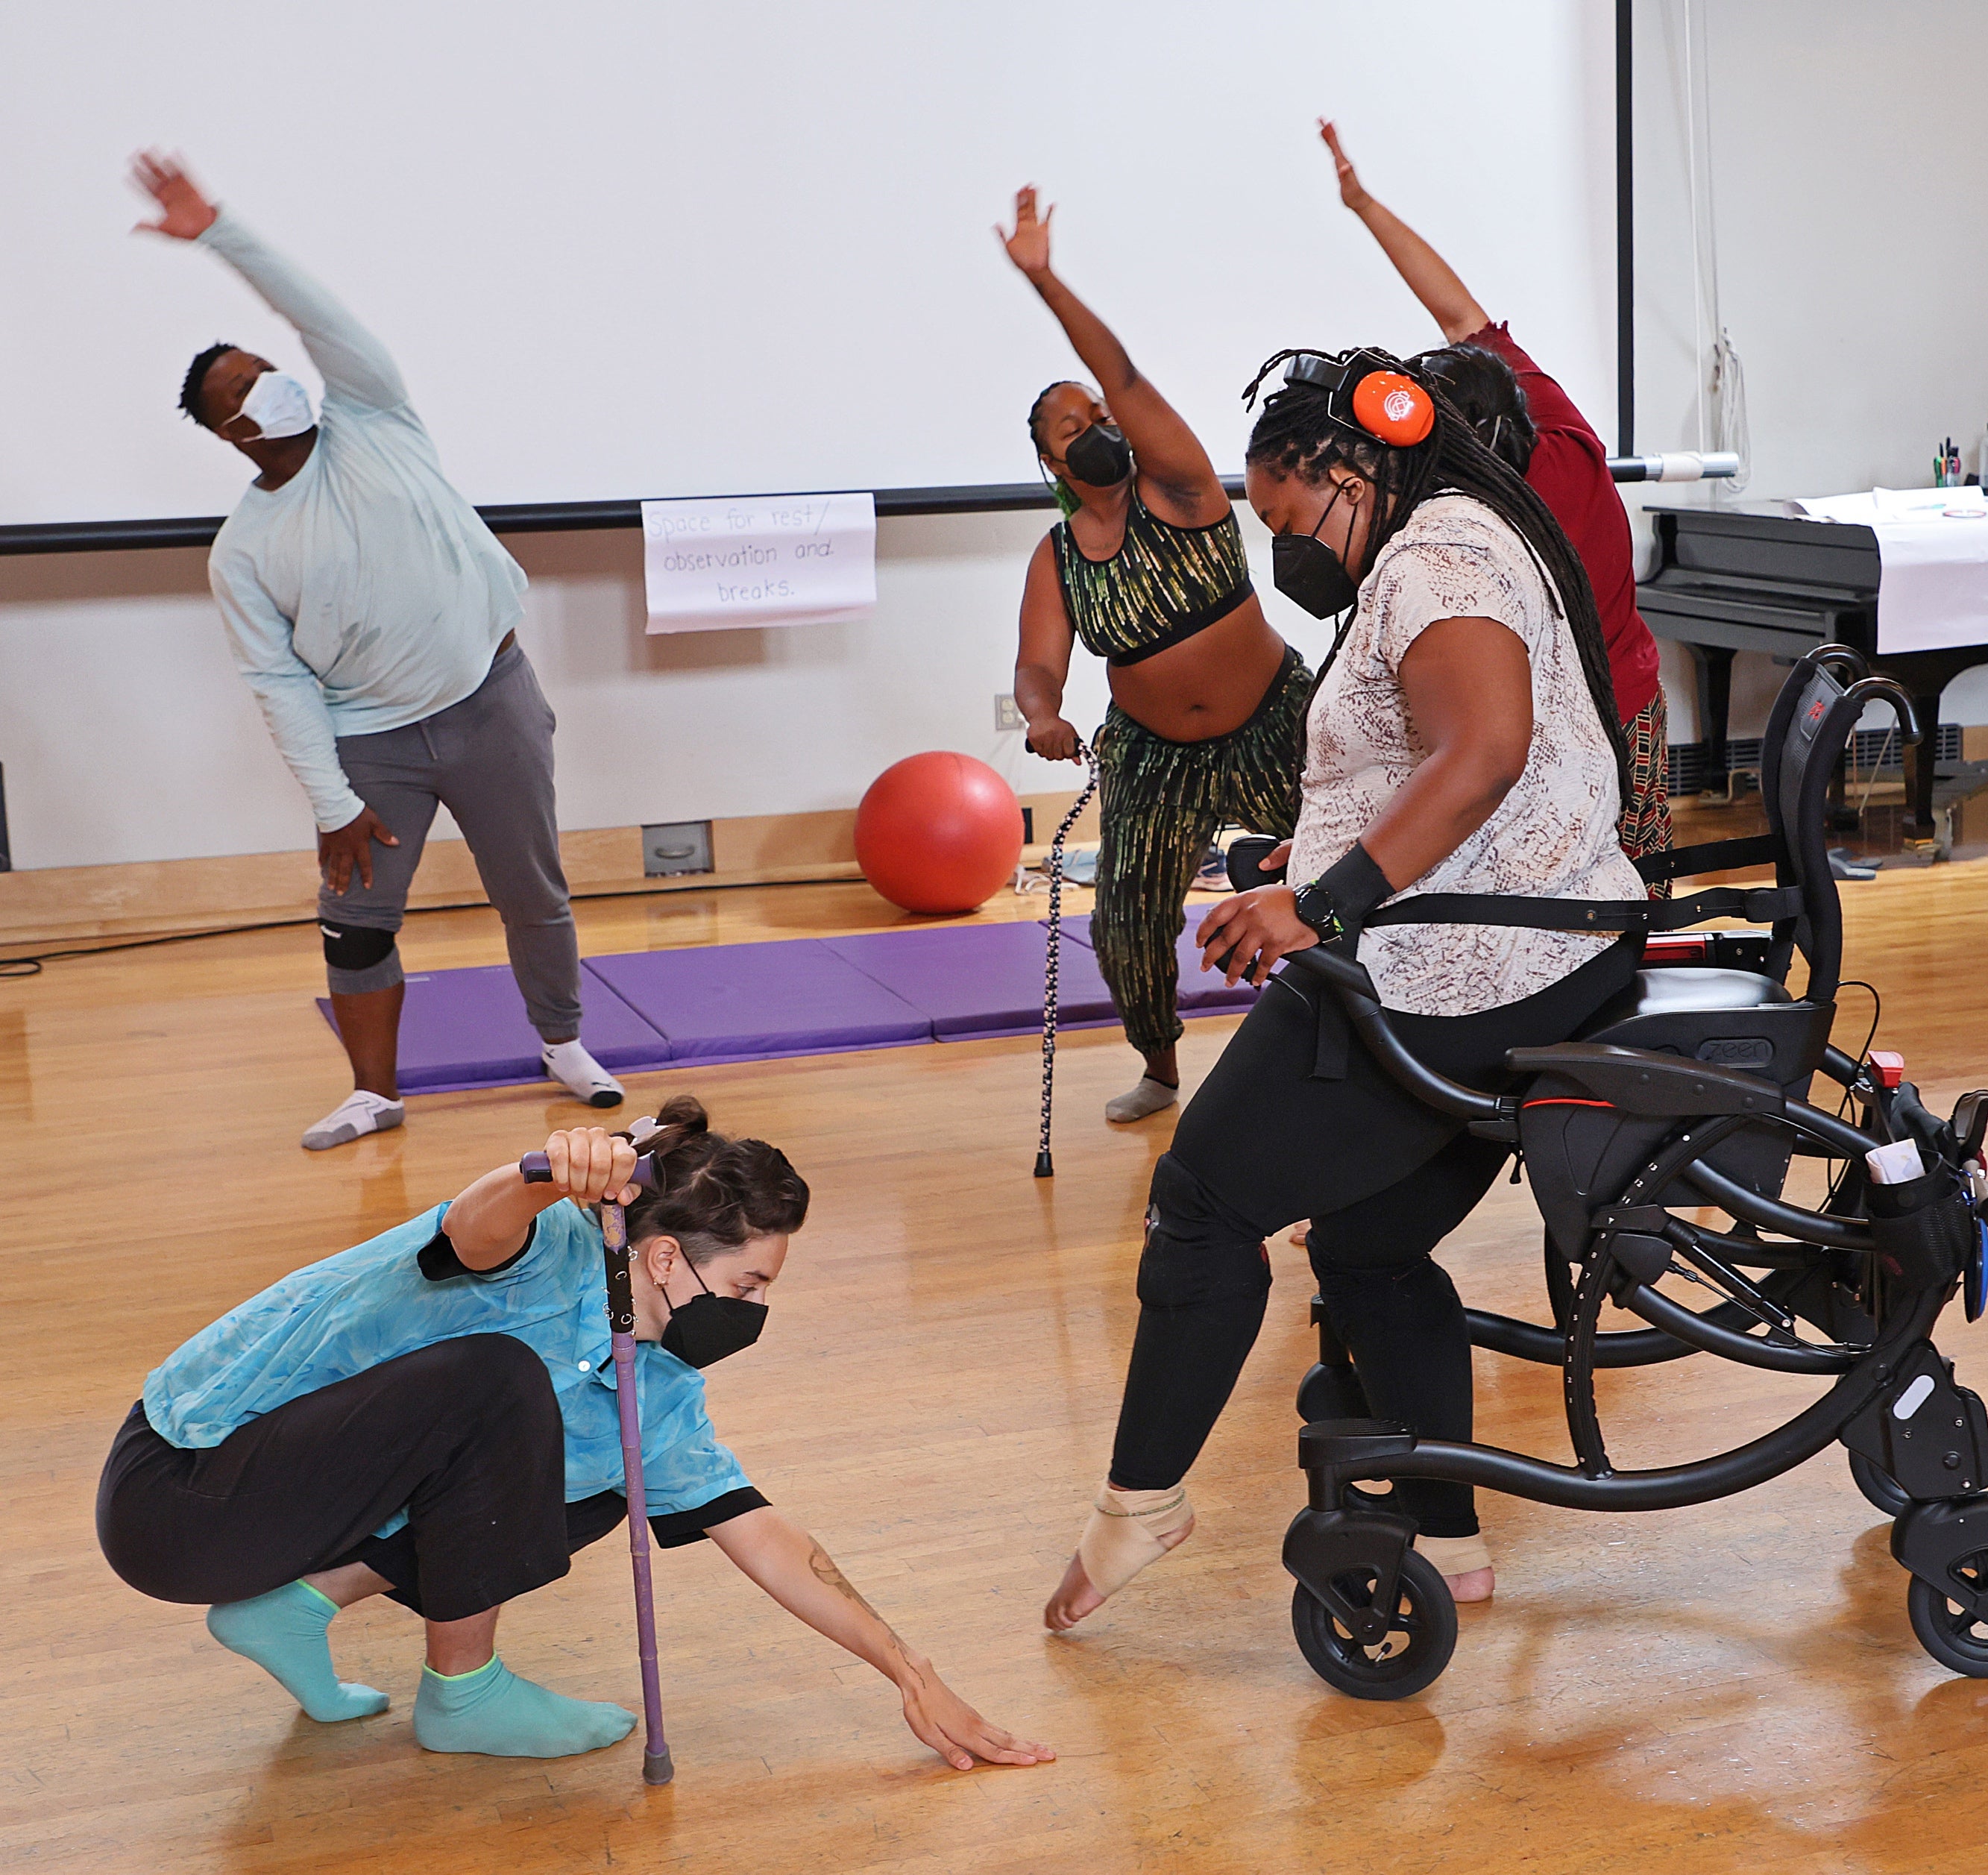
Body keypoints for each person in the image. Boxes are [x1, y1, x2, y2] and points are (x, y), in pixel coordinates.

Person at [1039, 350, 1645, 1633]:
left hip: (1468, 964)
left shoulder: (1434, 558)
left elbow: (1484, 750)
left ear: (1352, 464)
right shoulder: (1455, 534)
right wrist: (1304, 852)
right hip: (1531, 947)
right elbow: (1434, 758)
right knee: (1368, 1240)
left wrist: (1322, 897)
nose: (1286, 554)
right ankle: (1451, 1532)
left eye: (1287, 521)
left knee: (1202, 1198)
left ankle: (1141, 1500)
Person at [95, 1099, 1051, 1768]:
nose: (759, 1311)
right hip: (179, 1493)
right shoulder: (536, 1247)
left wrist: (911, 1672)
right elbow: (473, 1228)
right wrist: (539, 1171)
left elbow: (762, 1534)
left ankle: (294, 1608)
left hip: (279, 1515)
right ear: (666, 1256)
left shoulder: (660, 1384)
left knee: (603, 1474)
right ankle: (465, 1694)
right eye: (752, 1286)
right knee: (498, 1383)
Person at [131, 154, 623, 1150]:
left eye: (266, 370)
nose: (270, 386)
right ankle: (374, 1092)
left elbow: (315, 312)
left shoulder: (371, 415)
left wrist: (220, 229)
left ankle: (562, 1041)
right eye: (246, 391)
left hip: (492, 697)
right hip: (372, 746)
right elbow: (278, 683)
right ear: (229, 433)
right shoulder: (246, 550)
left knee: (530, 889)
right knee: (355, 923)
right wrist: (333, 800)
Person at [1001, 186, 1310, 1125]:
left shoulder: (1176, 489)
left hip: (1274, 725)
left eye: (1097, 411)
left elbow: (1128, 378)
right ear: (1055, 468)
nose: (1096, 421)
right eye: (1073, 424)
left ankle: (1348, 1052)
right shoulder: (1056, 556)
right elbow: (1038, 666)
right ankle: (1162, 1068)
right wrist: (1044, 714)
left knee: (1329, 885)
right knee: (1125, 920)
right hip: (1148, 752)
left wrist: (1046, 279)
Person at [1319, 120, 1670, 876]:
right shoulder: (1565, 435)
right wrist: (1363, 203)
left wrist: (1362, 204)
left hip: (1564, 727)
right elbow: (1460, 314)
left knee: (1528, 891)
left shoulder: (1464, 531)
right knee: (1628, 888)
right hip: (1634, 705)